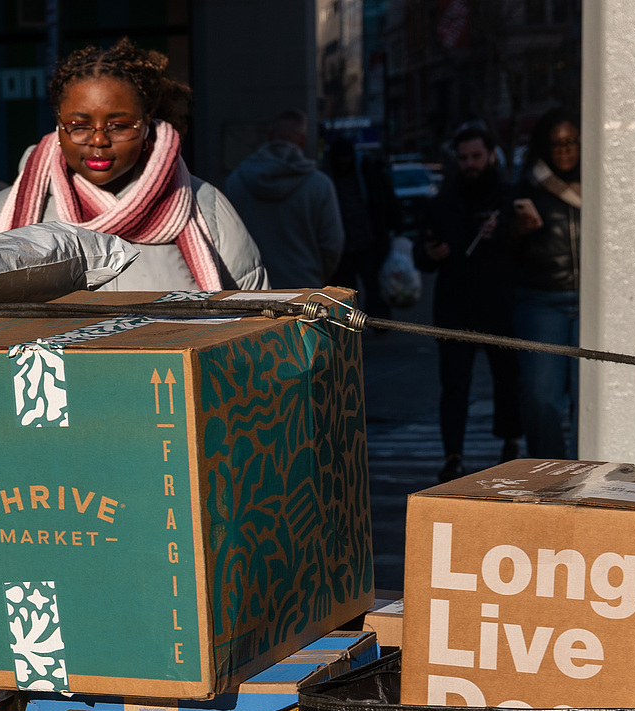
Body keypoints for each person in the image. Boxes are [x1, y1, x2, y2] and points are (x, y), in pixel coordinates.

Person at [0, 38, 265, 290]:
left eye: (119, 125)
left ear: (147, 123)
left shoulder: (205, 208)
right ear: (59, 126)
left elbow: (255, 325)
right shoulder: (3, 215)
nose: (99, 140)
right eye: (79, 125)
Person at [417, 123, 522, 482]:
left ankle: (511, 441)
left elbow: (525, 246)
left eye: (476, 156)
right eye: (463, 158)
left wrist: (506, 231)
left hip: (499, 303)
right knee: (454, 384)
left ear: (491, 155)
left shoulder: (509, 197)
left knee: (507, 378)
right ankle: (453, 454)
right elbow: (422, 253)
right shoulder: (442, 201)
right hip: (455, 307)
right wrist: (432, 252)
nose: (470, 163)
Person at [510, 109, 582, 462]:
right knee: (540, 397)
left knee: (593, 397)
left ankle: (596, 475)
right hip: (541, 299)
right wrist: (518, 230)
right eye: (557, 144)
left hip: (593, 301)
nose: (566, 150)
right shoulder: (528, 186)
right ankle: (549, 473)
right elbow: (502, 253)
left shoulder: (604, 184)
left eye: (571, 142)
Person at [222, 109, 344, 289]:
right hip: (305, 290)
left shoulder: (236, 181)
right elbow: (333, 244)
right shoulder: (320, 185)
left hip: (253, 292)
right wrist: (315, 275)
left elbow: (226, 240)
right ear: (302, 140)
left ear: (270, 135)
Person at [326, 135, 400, 314]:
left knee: (372, 287)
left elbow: (383, 201)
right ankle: (360, 322)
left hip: (365, 241)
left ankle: (376, 319)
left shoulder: (366, 171)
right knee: (352, 289)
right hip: (349, 244)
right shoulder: (356, 172)